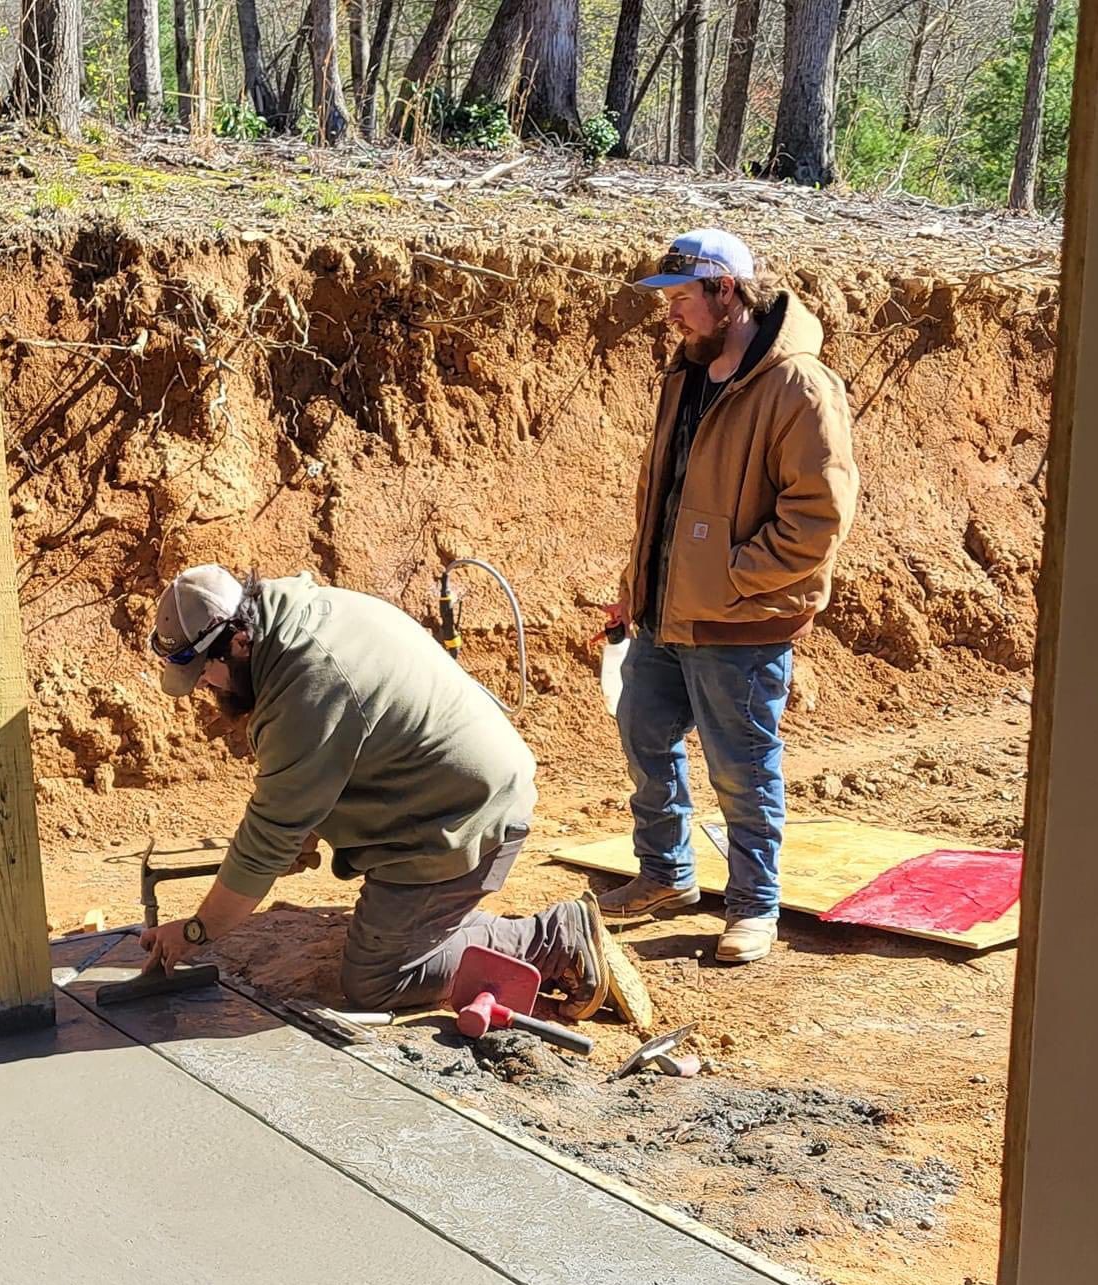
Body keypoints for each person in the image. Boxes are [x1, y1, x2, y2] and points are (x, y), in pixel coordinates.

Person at [143, 564, 611, 1016]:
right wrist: (300, 834)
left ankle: (550, 938)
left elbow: (267, 838)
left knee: (377, 980)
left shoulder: (307, 682)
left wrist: (196, 931)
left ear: (238, 642)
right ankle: (439, 924)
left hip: (463, 819)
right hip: (451, 790)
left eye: (204, 671)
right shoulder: (294, 613)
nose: (203, 684)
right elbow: (334, 756)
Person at [603, 228, 858, 963]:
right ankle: (665, 875)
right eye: (668, 299)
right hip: (665, 613)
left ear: (726, 291)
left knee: (742, 772)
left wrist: (733, 577)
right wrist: (639, 587)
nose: (671, 313)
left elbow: (820, 517)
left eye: (683, 297)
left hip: (741, 623)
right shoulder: (685, 374)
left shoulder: (799, 385)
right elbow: (666, 496)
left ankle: (753, 906)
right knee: (644, 735)